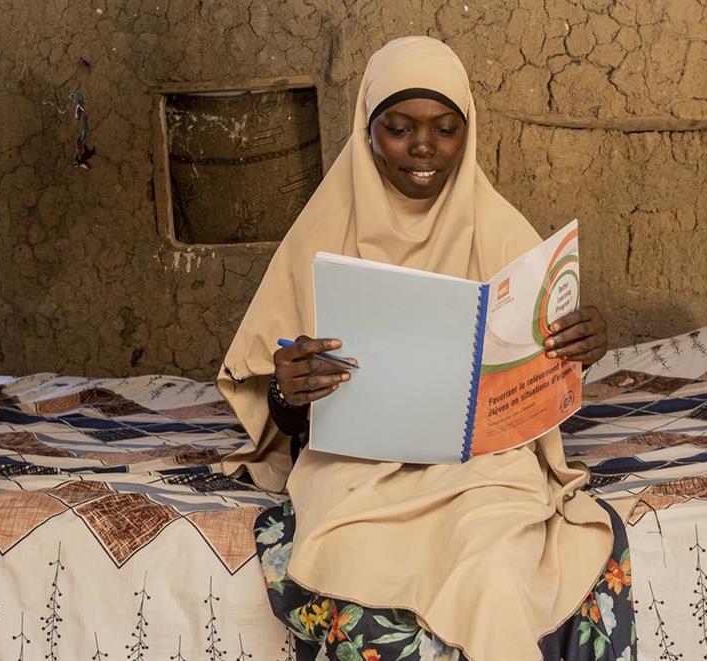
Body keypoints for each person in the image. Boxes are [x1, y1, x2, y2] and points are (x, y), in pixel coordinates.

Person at [218, 36, 636, 661]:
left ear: (468, 133)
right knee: (353, 561)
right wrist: (287, 390)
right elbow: (280, 415)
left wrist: (577, 348)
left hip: (484, 469)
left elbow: (539, 379)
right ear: (367, 131)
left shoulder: (502, 232)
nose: (423, 148)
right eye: (399, 128)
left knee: (498, 565)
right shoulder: (321, 236)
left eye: (446, 128)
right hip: (356, 472)